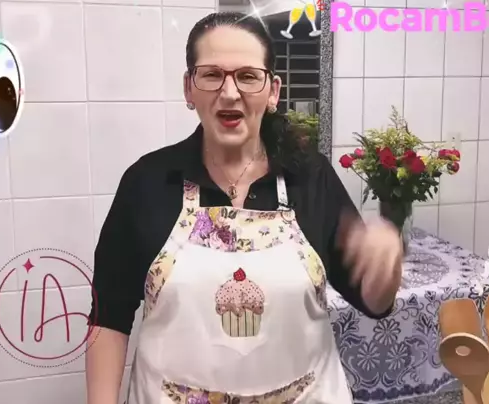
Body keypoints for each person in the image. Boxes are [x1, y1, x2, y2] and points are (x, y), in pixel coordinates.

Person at [85, 11, 403, 404]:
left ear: (272, 91)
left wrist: (386, 263)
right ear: (189, 88)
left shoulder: (310, 177)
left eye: (248, 76)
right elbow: (108, 318)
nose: (230, 92)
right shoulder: (147, 183)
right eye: (211, 75)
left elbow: (375, 303)